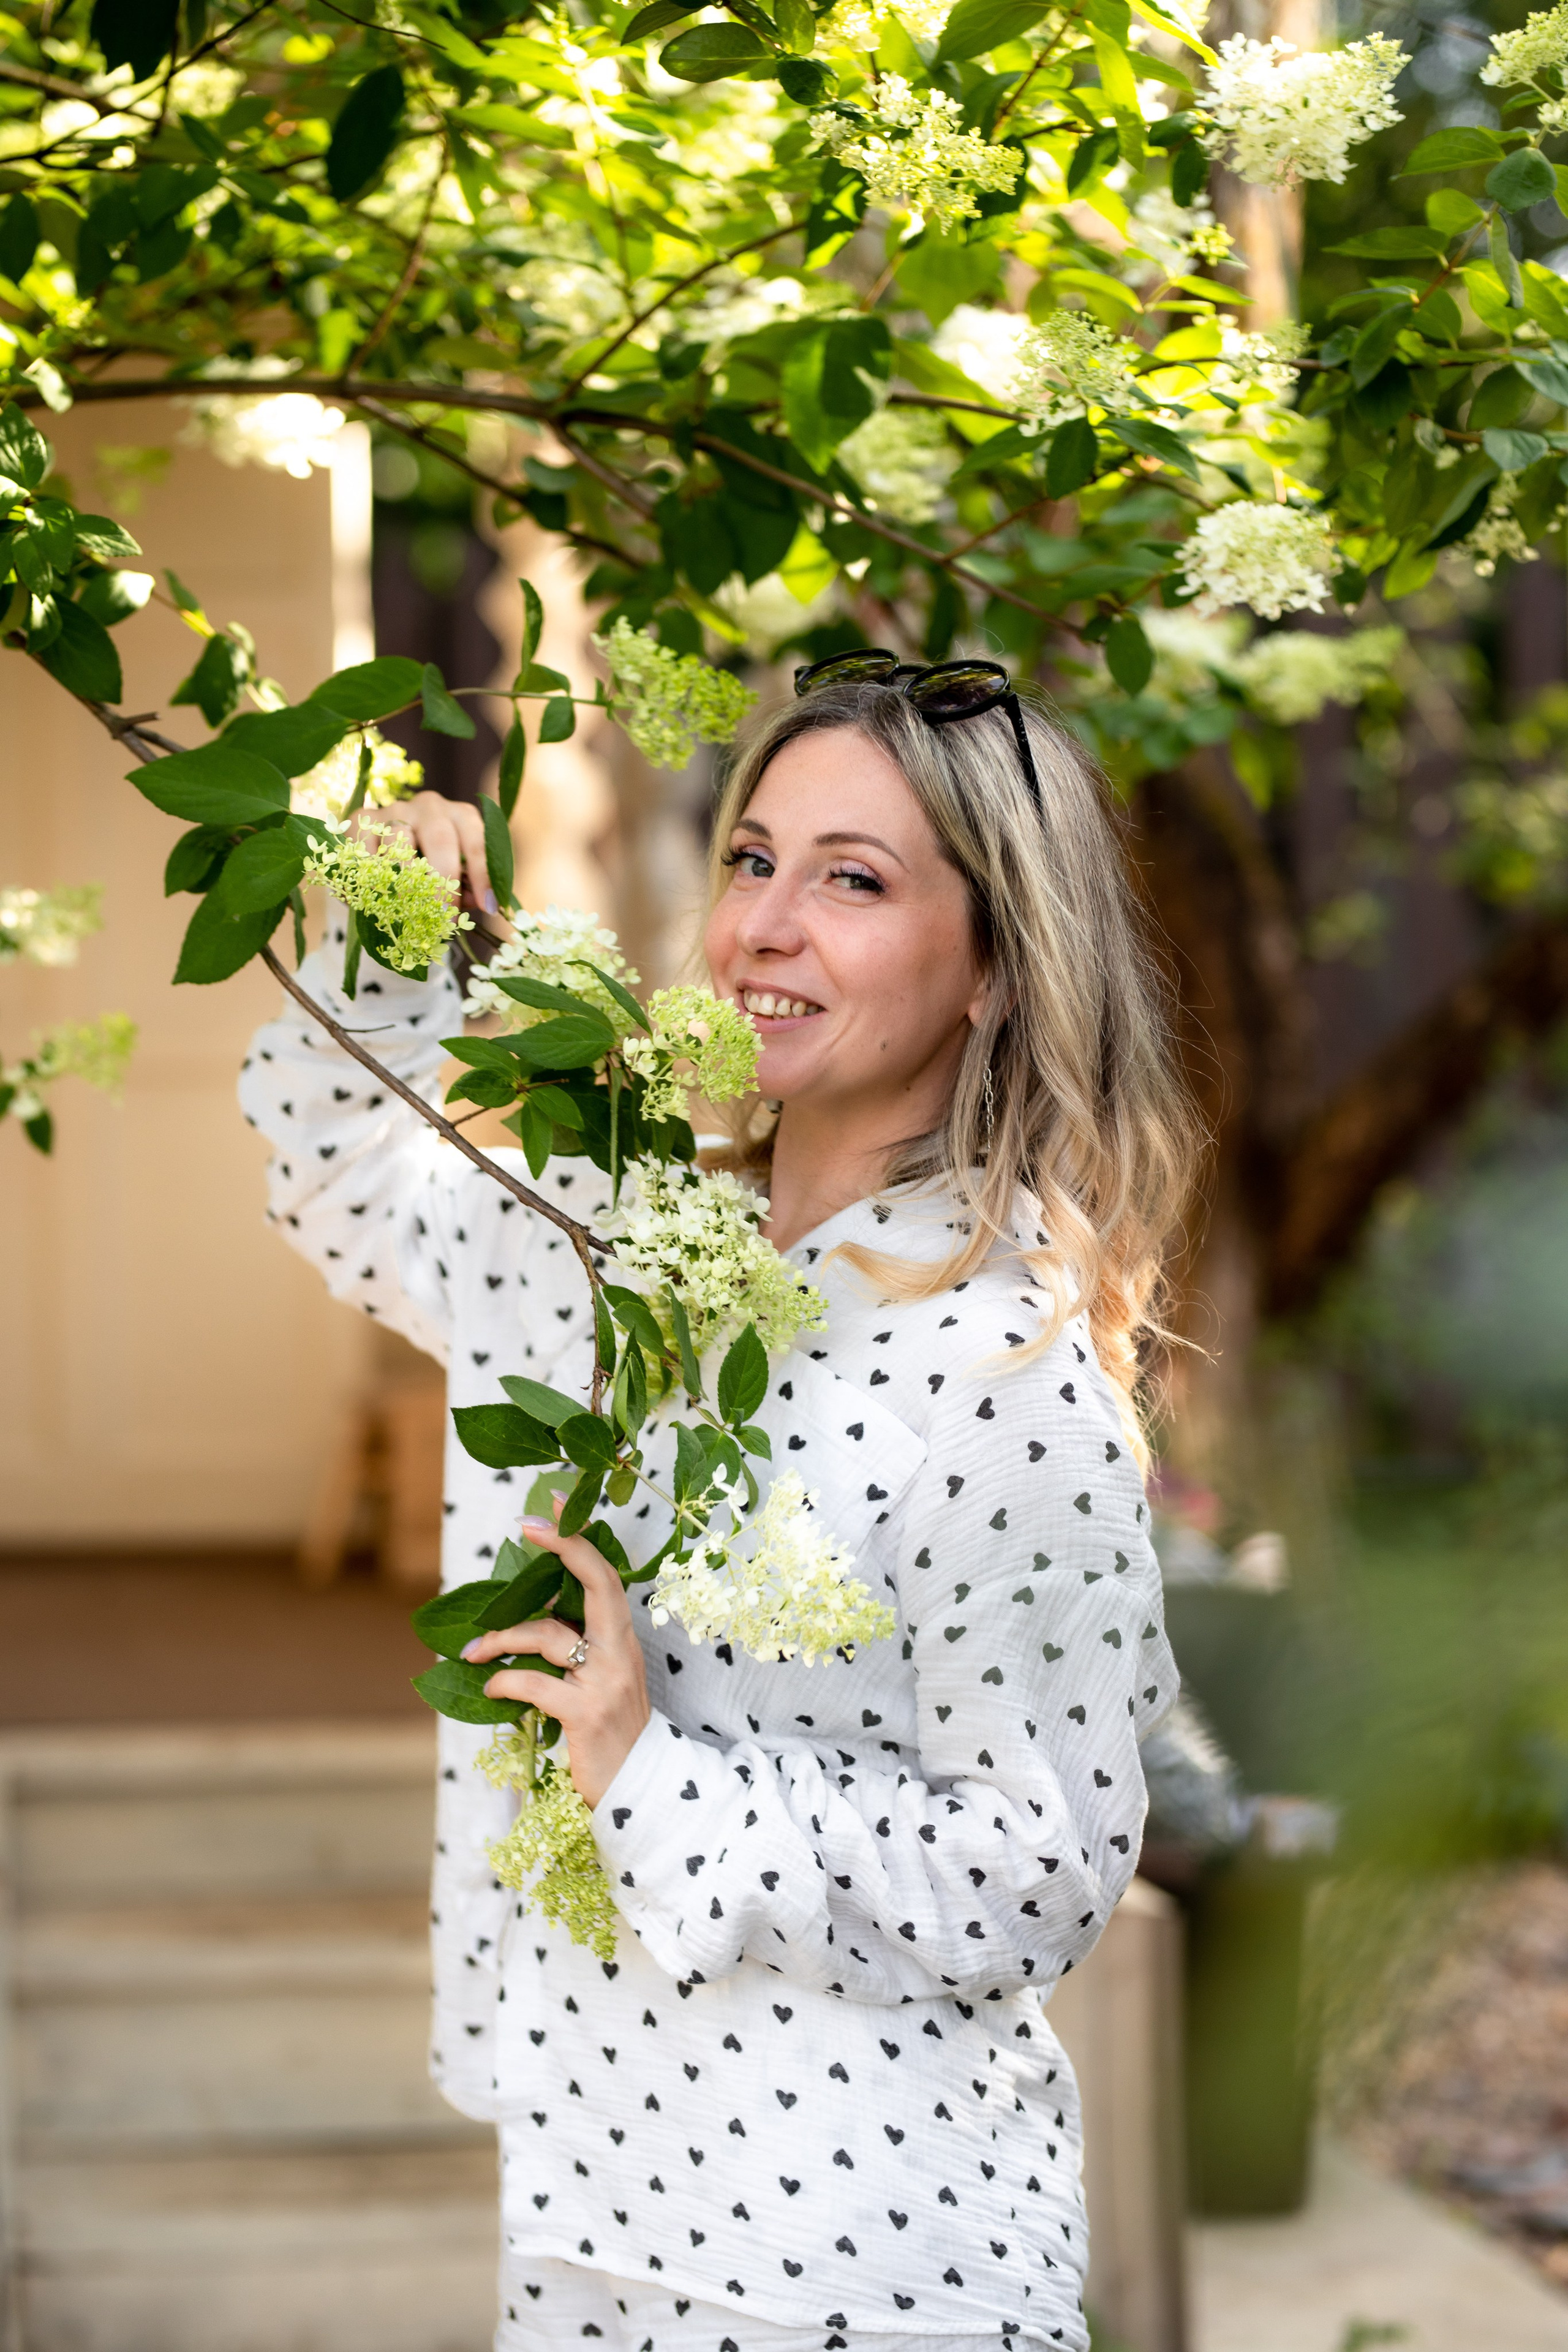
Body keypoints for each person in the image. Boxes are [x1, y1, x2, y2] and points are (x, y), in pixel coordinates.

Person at [239, 662, 1199, 2352]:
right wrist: (389, 927)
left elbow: (1039, 1868)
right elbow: (339, 1183)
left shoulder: (1005, 1374)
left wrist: (653, 1775)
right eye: (755, 860)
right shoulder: (627, 1240)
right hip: (587, 2198)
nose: (768, 923)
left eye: (857, 879)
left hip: (856, 2262)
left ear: (993, 967)